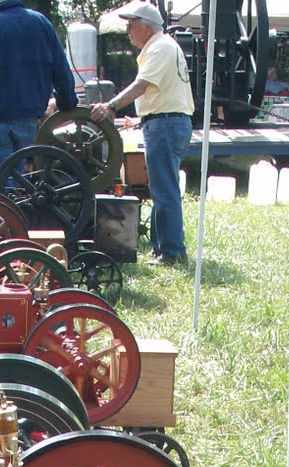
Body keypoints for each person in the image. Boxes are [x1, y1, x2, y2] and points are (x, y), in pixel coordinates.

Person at [91, 1, 192, 268]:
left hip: (165, 125)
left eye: (131, 24)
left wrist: (110, 106)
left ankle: (172, 252)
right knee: (162, 189)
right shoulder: (164, 46)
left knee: (164, 190)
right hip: (167, 122)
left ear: (147, 26)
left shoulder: (160, 47)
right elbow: (160, 93)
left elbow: (141, 86)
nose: (128, 30)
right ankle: (163, 248)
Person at [0, 0, 77, 175]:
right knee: (27, 180)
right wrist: (67, 102)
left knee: (4, 183)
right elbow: (61, 68)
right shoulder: (41, 23)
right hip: (32, 121)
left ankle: (5, 200)